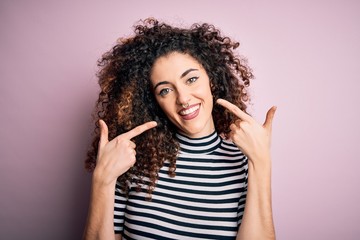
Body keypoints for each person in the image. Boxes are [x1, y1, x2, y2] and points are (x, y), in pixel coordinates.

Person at [83, 18, 276, 240]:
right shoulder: (129, 160)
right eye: (165, 90)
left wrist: (261, 162)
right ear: (154, 101)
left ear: (211, 80)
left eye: (191, 79)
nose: (183, 98)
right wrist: (102, 180)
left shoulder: (244, 163)